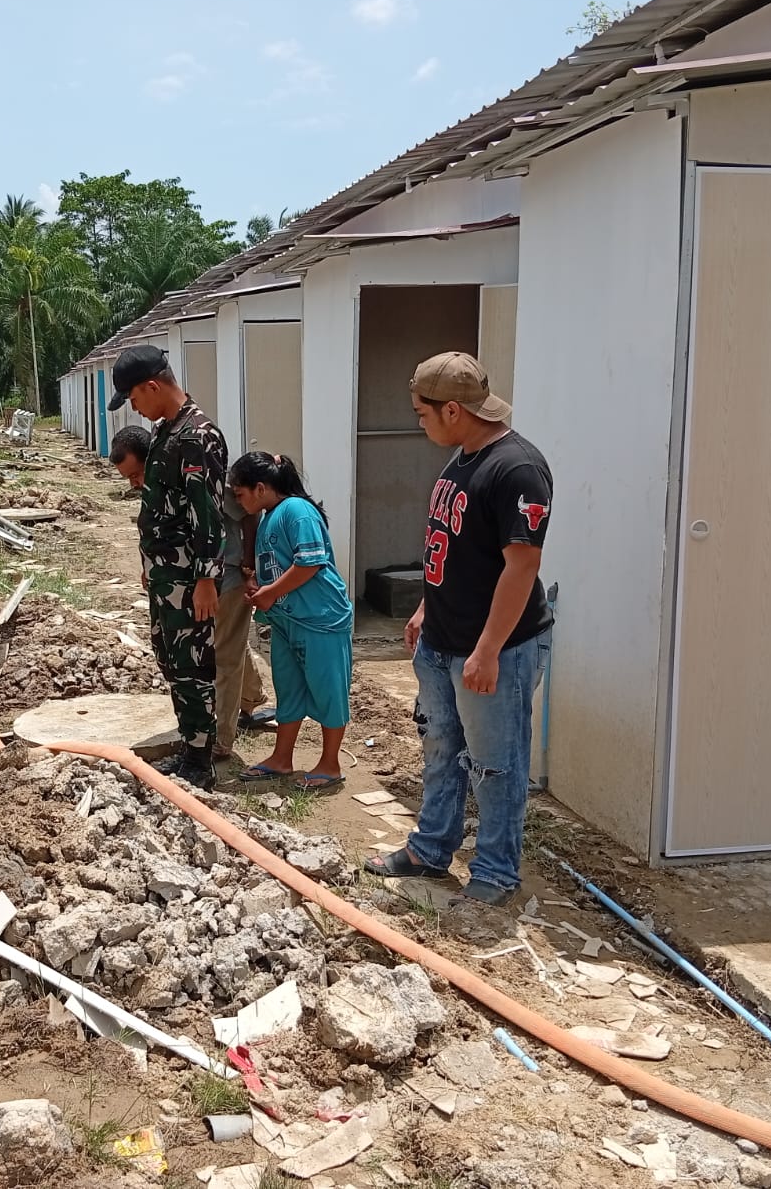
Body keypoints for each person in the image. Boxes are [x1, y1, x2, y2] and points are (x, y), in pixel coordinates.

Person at [364, 351, 553, 909]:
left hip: (495, 649)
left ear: (452, 410)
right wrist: (428, 606)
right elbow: (455, 548)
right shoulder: (463, 459)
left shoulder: (517, 469)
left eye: (422, 412)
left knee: (495, 765)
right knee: (442, 750)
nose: (418, 422)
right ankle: (430, 849)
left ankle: (495, 873)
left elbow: (522, 566)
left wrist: (488, 649)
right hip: (443, 642)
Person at [109, 426, 276, 762]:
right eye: (128, 478)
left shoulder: (201, 476)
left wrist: (248, 566)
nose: (135, 483)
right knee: (228, 640)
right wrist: (150, 566)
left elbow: (249, 515)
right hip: (191, 583)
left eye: (136, 474)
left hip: (224, 577)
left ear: (152, 460)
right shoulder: (159, 485)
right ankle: (251, 699)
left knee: (224, 656)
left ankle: (222, 739)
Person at [109, 345, 228, 789]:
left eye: (134, 398)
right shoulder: (166, 432)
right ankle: (189, 747)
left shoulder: (197, 436)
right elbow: (161, 506)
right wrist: (150, 562)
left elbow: (208, 515)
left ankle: (200, 762)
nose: (135, 408)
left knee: (193, 667)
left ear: (152, 386)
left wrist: (206, 580)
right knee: (172, 662)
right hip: (166, 575)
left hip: (188, 578)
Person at [229, 452, 353, 790]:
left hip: (320, 619)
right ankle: (281, 758)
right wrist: (259, 585)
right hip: (288, 620)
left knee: (329, 691)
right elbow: (278, 565)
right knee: (289, 689)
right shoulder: (270, 516)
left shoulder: (297, 510)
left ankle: (330, 764)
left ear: (260, 488)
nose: (238, 502)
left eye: (240, 494)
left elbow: (310, 562)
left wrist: (269, 593)